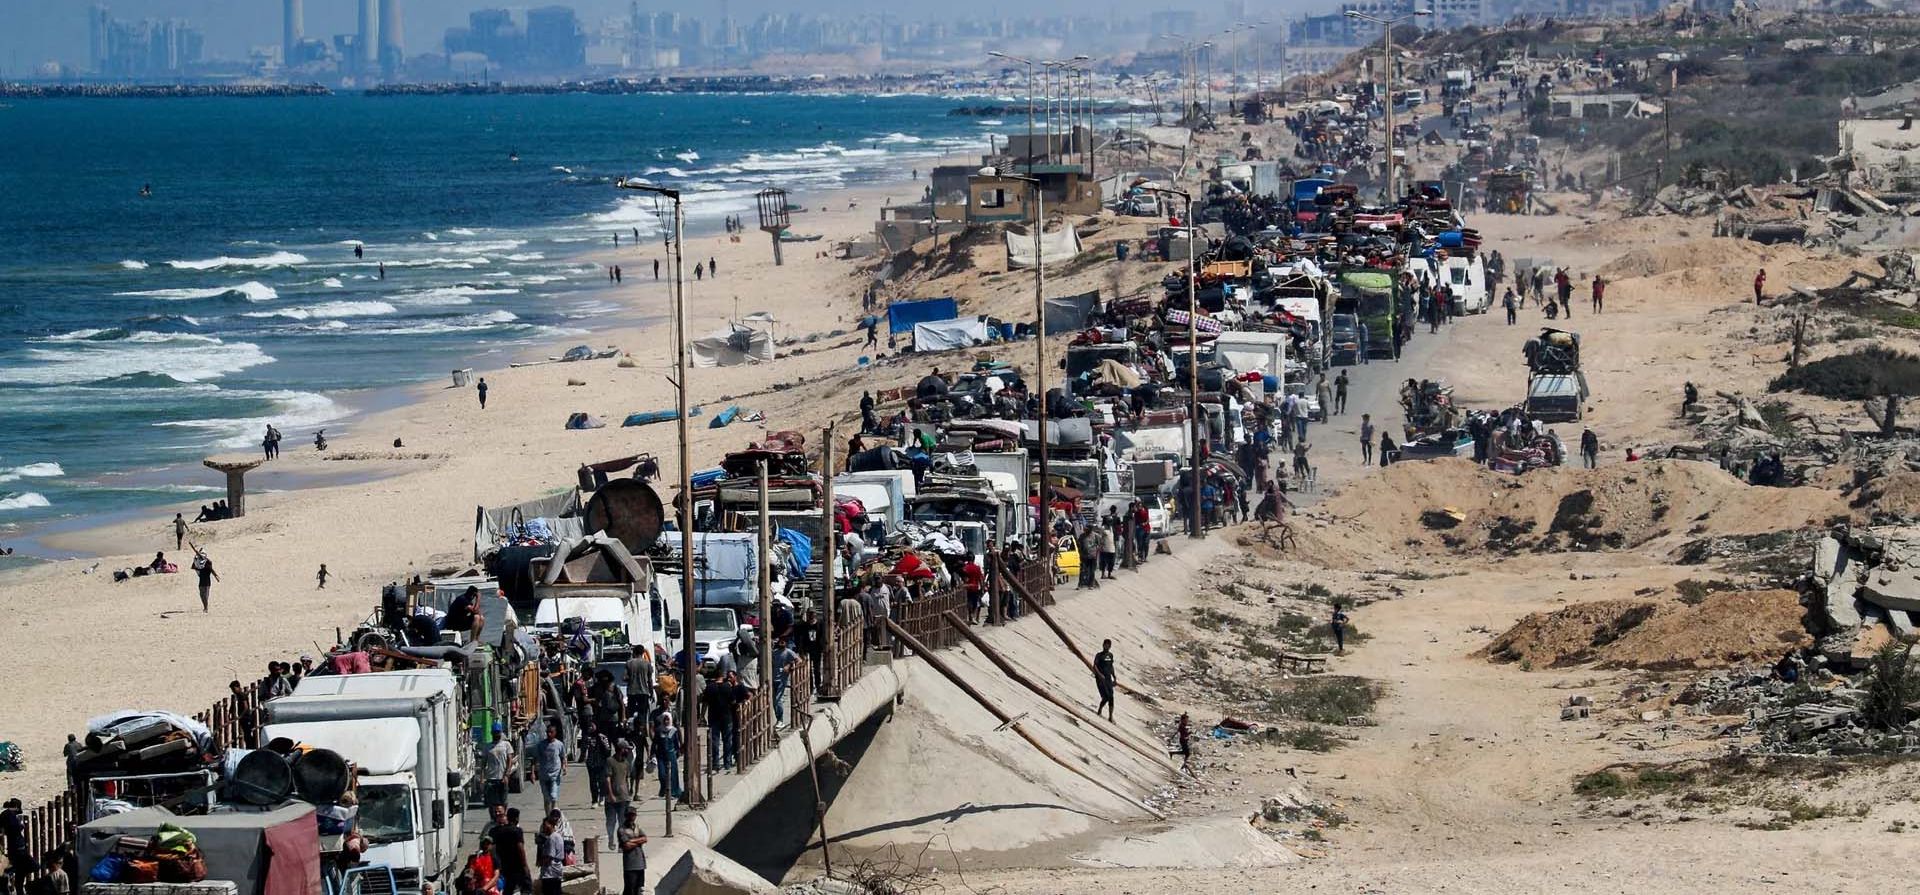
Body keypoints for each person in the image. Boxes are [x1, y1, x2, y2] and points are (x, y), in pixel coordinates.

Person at [490, 807, 533, 895]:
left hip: (505, 866)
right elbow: (520, 848)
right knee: (526, 888)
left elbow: (493, 848)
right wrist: (525, 866)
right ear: (517, 818)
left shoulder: (497, 831)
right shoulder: (517, 831)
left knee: (508, 889)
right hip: (518, 866)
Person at [649, 703, 682, 799]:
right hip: (661, 756)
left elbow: (676, 744)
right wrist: (652, 754)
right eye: (665, 720)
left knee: (673, 774)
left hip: (671, 755)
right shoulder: (659, 731)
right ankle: (664, 791)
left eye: (668, 719)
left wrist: (679, 750)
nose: (666, 721)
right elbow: (654, 744)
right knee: (662, 774)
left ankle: (673, 792)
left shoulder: (674, 731)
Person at [604, 740, 633, 847]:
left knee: (622, 822)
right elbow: (607, 779)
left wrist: (629, 794)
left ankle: (621, 843)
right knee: (611, 821)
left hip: (623, 798)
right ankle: (611, 840)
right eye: (626, 749)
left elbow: (626, 779)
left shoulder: (626, 763)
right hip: (611, 798)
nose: (627, 751)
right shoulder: (610, 761)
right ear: (621, 749)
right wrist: (611, 795)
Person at [617, 805, 649, 895]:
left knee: (639, 888)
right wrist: (639, 841)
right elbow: (626, 845)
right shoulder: (622, 829)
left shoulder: (637, 827)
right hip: (630, 864)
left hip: (640, 863)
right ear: (626, 816)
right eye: (629, 815)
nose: (631, 817)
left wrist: (631, 841)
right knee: (629, 888)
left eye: (633, 815)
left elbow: (645, 838)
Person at [536, 723, 566, 814]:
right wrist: (533, 773)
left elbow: (563, 757)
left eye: (551, 732)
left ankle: (553, 816)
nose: (549, 734)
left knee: (553, 797)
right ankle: (548, 816)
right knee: (546, 799)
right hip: (543, 775)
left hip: (555, 775)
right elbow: (535, 758)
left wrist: (564, 767)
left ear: (555, 733)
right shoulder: (541, 745)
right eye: (548, 732)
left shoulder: (559, 744)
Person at [485, 724, 513, 809]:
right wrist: (483, 778)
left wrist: (506, 775)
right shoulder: (488, 747)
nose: (496, 734)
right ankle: (494, 818)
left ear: (501, 733)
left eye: (498, 732)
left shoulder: (506, 745)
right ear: (491, 733)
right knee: (492, 802)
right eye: (494, 732)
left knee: (503, 800)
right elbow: (483, 763)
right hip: (491, 778)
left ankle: (503, 816)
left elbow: (510, 760)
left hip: (502, 778)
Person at [536, 812, 565, 895]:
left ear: (551, 825)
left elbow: (549, 856)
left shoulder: (552, 838)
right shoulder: (558, 836)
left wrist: (541, 862)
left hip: (550, 873)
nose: (544, 827)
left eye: (545, 825)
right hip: (557, 871)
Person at [1093, 639, 1117, 721]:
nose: (1106, 646)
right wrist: (1099, 675)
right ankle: (1100, 709)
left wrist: (1114, 677)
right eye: (1105, 644)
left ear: (1110, 646)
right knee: (1106, 696)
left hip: (1108, 678)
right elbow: (1095, 666)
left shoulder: (1110, 655)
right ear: (1103, 645)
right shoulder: (1099, 655)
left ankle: (1110, 716)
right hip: (1100, 679)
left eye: (1108, 645)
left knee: (1111, 697)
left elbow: (1111, 666)